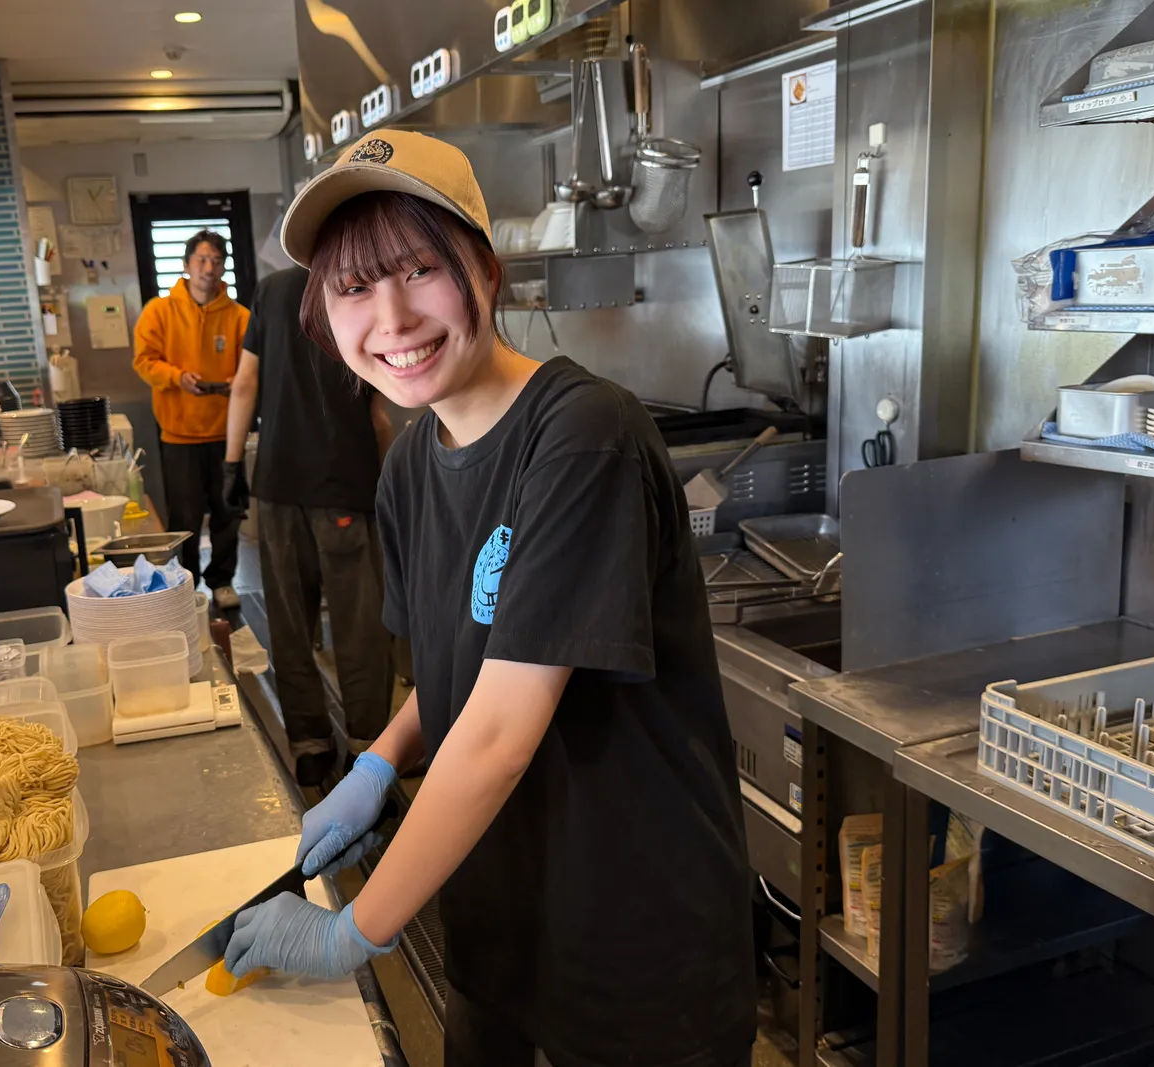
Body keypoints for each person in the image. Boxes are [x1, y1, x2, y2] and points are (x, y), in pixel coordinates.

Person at [222, 130, 756, 1067]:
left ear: (484, 266)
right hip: (500, 931)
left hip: (635, 952)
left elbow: (503, 725)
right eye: (353, 287)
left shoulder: (582, 436)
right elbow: (461, 670)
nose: (390, 317)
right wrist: (379, 765)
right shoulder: (410, 470)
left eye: (419, 268)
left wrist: (358, 930)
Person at [223, 267, 397, 787]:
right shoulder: (361, 286)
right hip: (345, 481)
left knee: (289, 622)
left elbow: (244, 384)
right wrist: (387, 484)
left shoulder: (272, 290)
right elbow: (378, 411)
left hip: (278, 485)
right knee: (360, 623)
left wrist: (233, 465)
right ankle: (368, 750)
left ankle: (309, 746)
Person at [132, 229, 249, 609]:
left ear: (224, 266)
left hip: (227, 435)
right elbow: (144, 361)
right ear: (186, 265)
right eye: (201, 259)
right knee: (184, 517)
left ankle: (222, 581)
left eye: (216, 260)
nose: (208, 268)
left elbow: (253, 368)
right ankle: (186, 584)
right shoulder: (159, 312)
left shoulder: (240, 317)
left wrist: (239, 382)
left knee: (227, 512)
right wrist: (176, 378)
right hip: (179, 434)